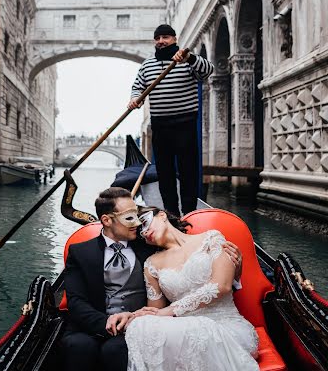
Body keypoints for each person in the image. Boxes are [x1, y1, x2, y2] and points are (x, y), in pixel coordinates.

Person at [60, 187, 243, 371]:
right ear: (106, 220)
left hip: (134, 328)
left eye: (140, 219)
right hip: (91, 326)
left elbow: (206, 281)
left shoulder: (149, 247)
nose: (140, 227)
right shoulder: (80, 252)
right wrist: (107, 323)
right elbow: (76, 301)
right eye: (130, 218)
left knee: (116, 350)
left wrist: (235, 270)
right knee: (79, 347)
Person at [125, 207, 259, 371]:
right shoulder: (151, 264)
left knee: (191, 331)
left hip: (227, 328)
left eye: (144, 224)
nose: (144, 233)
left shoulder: (211, 238)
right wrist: (134, 315)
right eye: (140, 233)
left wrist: (169, 311)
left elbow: (222, 286)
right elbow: (156, 312)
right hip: (183, 331)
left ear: (162, 215)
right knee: (141, 325)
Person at [128, 24, 214, 216]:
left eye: (165, 37)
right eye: (158, 38)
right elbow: (138, 86)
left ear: (174, 39)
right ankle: (172, 213)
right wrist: (135, 99)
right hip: (160, 125)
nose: (161, 41)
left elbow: (208, 70)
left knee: (187, 171)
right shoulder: (147, 65)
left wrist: (189, 58)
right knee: (164, 173)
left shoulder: (187, 60)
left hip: (185, 123)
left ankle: (190, 213)